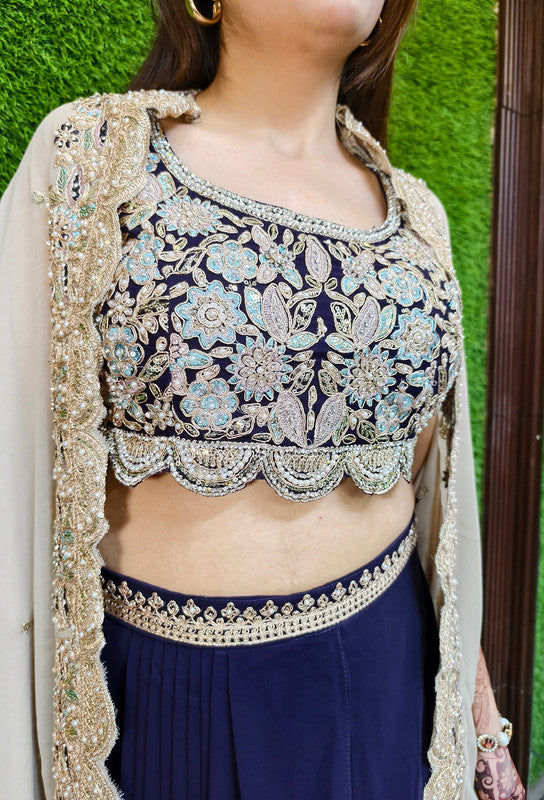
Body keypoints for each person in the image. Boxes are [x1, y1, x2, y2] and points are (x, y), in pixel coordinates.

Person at [0, 0, 526, 798]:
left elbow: (431, 510)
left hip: (386, 687)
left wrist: (482, 724)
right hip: (170, 710)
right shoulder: (93, 161)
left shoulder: (419, 221)